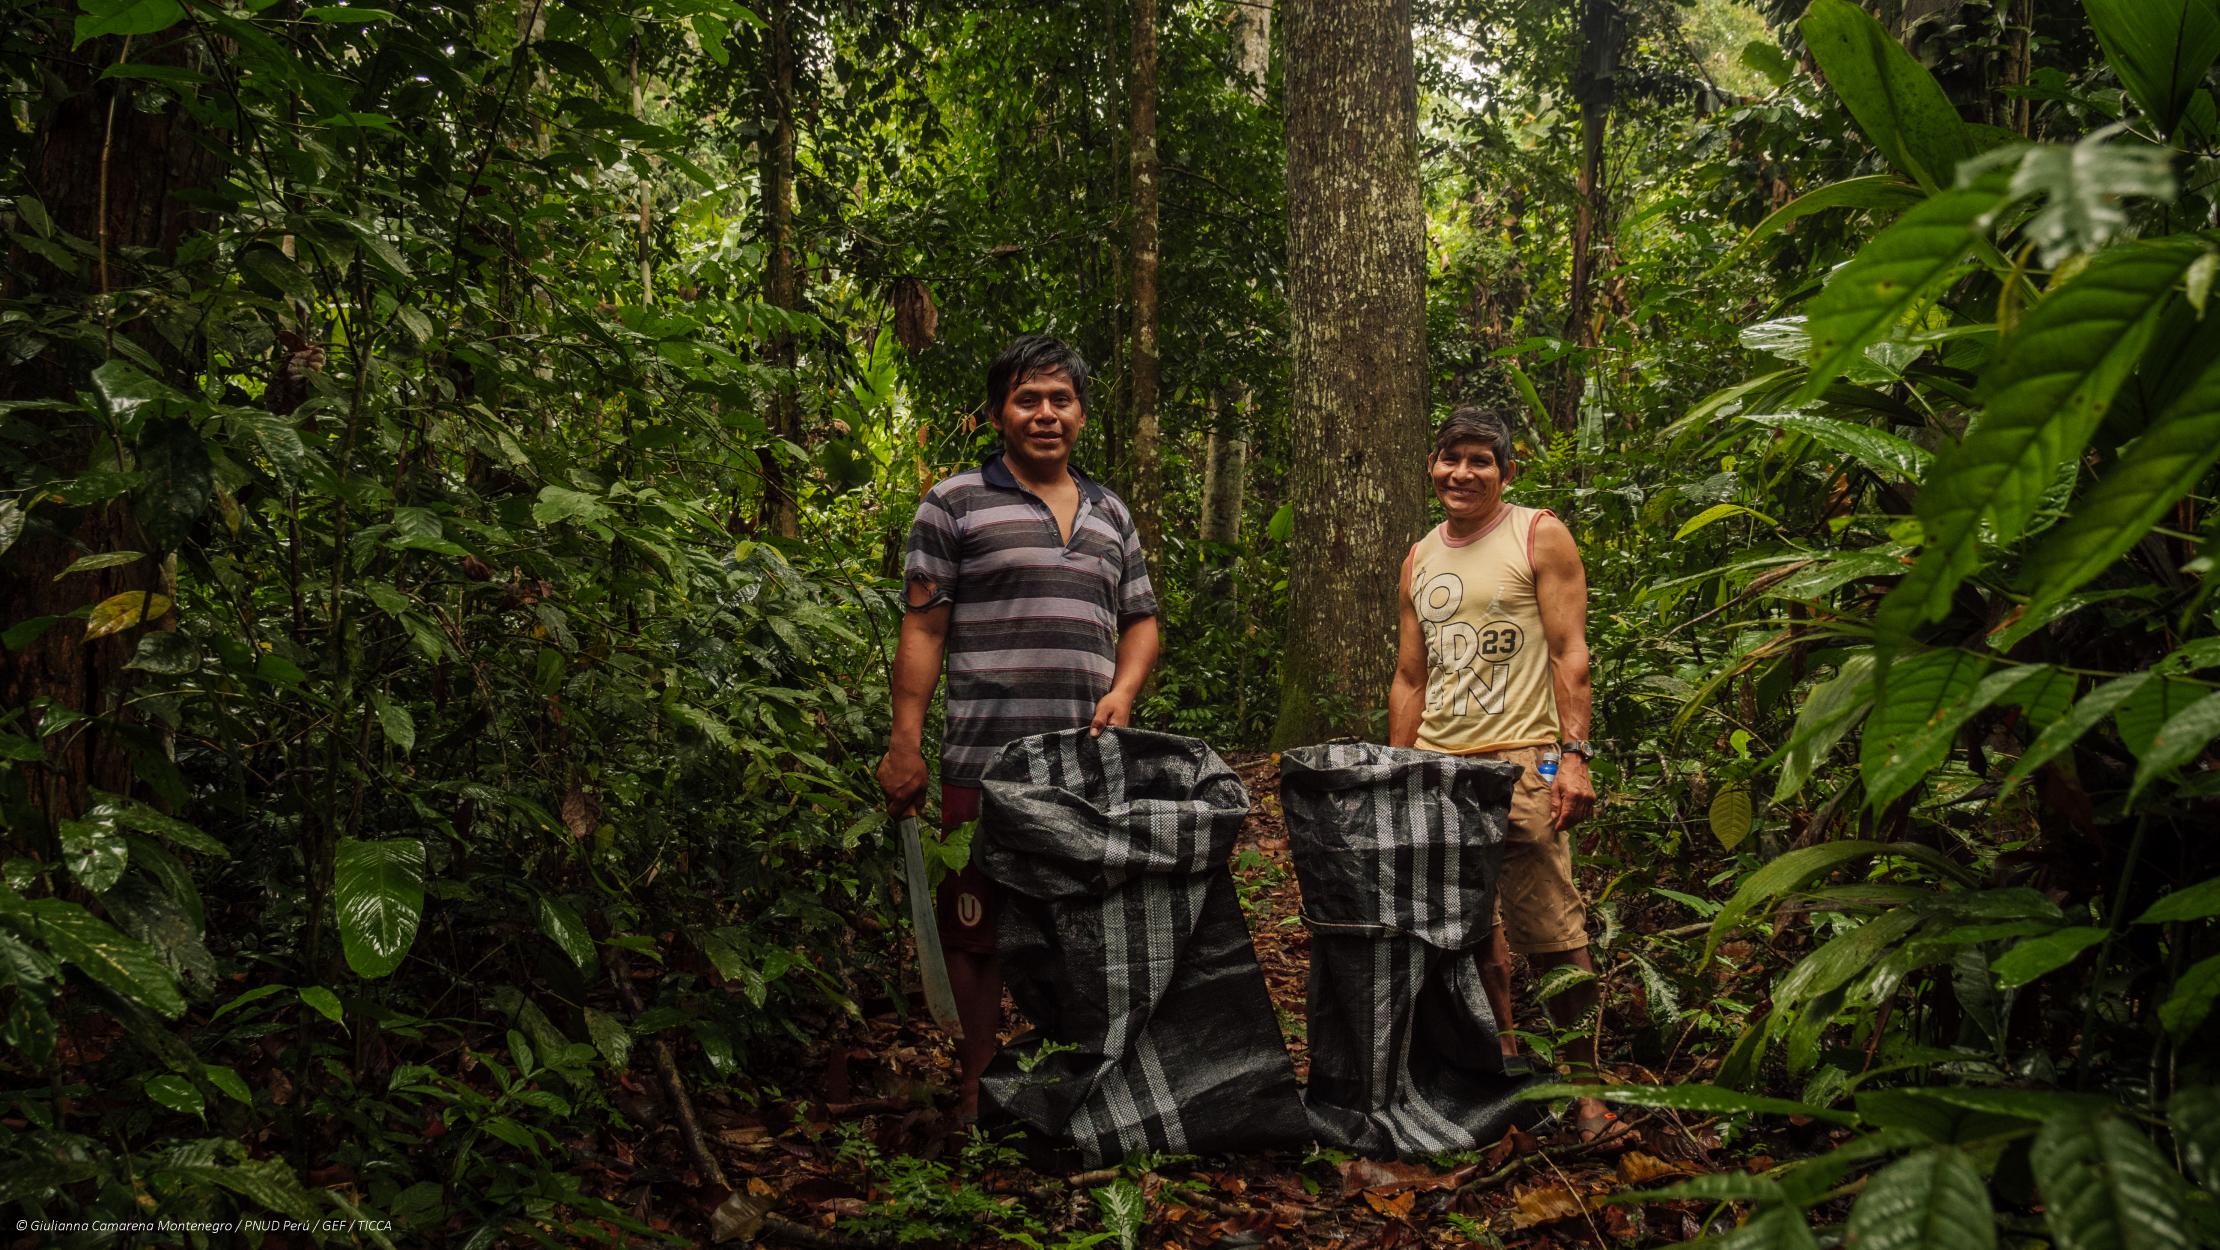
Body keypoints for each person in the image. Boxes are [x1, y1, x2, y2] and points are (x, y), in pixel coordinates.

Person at [877, 334, 1162, 1121]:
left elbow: (1140, 622)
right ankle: (977, 1080)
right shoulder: (955, 502)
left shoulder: (1111, 513)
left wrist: (1126, 690)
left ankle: (1076, 1078)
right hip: (984, 761)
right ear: (999, 412)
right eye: (1027, 399)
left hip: (1085, 767)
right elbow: (923, 628)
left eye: (1059, 400)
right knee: (976, 927)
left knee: (1083, 924)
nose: (1044, 414)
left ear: (1080, 412)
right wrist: (906, 741)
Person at [1386, 406, 1621, 1144]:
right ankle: (1507, 1072)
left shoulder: (1536, 532)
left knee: (1553, 929)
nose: (1463, 473)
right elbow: (1409, 675)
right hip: (1438, 764)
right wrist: (1397, 770)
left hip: (1525, 756)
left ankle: (1586, 1096)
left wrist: (1571, 757)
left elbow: (1568, 651)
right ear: (1433, 465)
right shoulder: (1419, 555)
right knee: (1473, 935)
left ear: (1506, 472)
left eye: (1481, 460)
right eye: (1450, 458)